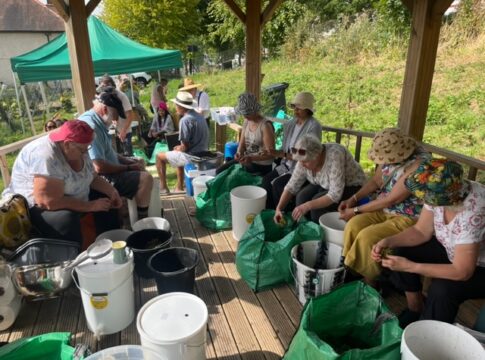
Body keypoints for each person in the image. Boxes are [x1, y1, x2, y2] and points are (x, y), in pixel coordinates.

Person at [371, 159, 485, 327]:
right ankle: (415, 308)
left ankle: (430, 334)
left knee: (442, 289)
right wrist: (389, 240)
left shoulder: (475, 210)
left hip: (479, 266)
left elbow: (462, 271)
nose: (424, 201)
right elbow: (420, 231)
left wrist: (411, 266)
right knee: (402, 249)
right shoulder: (441, 190)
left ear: (446, 199)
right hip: (452, 250)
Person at [2, 120, 122, 245]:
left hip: (67, 193)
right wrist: (90, 205)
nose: (86, 153)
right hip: (34, 207)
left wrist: (112, 191)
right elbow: (47, 201)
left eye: (88, 147)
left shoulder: (79, 146)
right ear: (67, 144)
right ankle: (75, 259)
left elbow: (92, 177)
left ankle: (111, 246)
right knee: (66, 219)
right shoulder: (46, 156)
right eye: (83, 150)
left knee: (106, 200)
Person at [339, 128, 431, 284]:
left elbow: (391, 199)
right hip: (384, 208)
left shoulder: (420, 163)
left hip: (407, 216)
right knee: (353, 225)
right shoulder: (387, 153)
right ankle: (352, 271)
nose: (384, 160)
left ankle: (371, 282)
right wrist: (353, 199)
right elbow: (376, 181)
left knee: (367, 237)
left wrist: (354, 210)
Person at [78, 88, 153, 220]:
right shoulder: (91, 127)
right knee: (146, 179)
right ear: (105, 110)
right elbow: (99, 167)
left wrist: (129, 162)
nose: (116, 121)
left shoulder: (99, 122)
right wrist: (128, 167)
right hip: (100, 178)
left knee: (139, 162)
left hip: (109, 171)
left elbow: (110, 154)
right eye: (115, 116)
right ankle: (142, 219)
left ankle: (133, 211)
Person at [274, 134, 366, 224]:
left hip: (351, 185)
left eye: (305, 162)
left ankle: (321, 232)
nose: (301, 164)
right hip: (325, 184)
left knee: (315, 208)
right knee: (301, 197)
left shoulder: (335, 155)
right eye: (300, 161)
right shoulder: (304, 159)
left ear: (317, 156)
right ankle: (307, 226)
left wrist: (307, 206)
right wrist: (279, 209)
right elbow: (291, 186)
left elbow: (335, 195)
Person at [262, 92, 322, 209]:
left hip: (303, 167)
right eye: (295, 107)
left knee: (278, 185)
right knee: (266, 180)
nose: (295, 110)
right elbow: (286, 147)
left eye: (299, 108)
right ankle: (271, 212)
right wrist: (273, 152)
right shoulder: (291, 124)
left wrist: (281, 154)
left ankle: (282, 213)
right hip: (287, 165)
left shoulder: (314, 126)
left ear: (308, 110)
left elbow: (307, 155)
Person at [156, 91, 209, 193]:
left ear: (181, 106)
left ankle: (163, 188)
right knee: (178, 154)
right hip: (204, 152)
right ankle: (179, 187)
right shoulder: (200, 116)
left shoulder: (185, 120)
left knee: (159, 157)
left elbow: (185, 147)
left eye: (176, 104)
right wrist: (180, 148)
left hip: (193, 156)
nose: (175, 106)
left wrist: (178, 148)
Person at [216, 92, 275, 176]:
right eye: (243, 114)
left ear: (254, 111)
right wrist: (239, 152)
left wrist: (251, 158)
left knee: (231, 176)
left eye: (247, 114)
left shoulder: (265, 126)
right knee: (219, 171)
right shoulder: (247, 121)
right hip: (247, 160)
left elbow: (271, 154)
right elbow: (242, 143)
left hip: (262, 165)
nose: (244, 116)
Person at [98, 75, 135, 156]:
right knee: (116, 156)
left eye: (105, 85)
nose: (104, 88)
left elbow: (130, 115)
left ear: (111, 84)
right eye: (102, 86)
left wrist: (124, 131)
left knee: (128, 155)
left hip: (124, 131)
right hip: (113, 131)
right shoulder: (103, 96)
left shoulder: (121, 96)